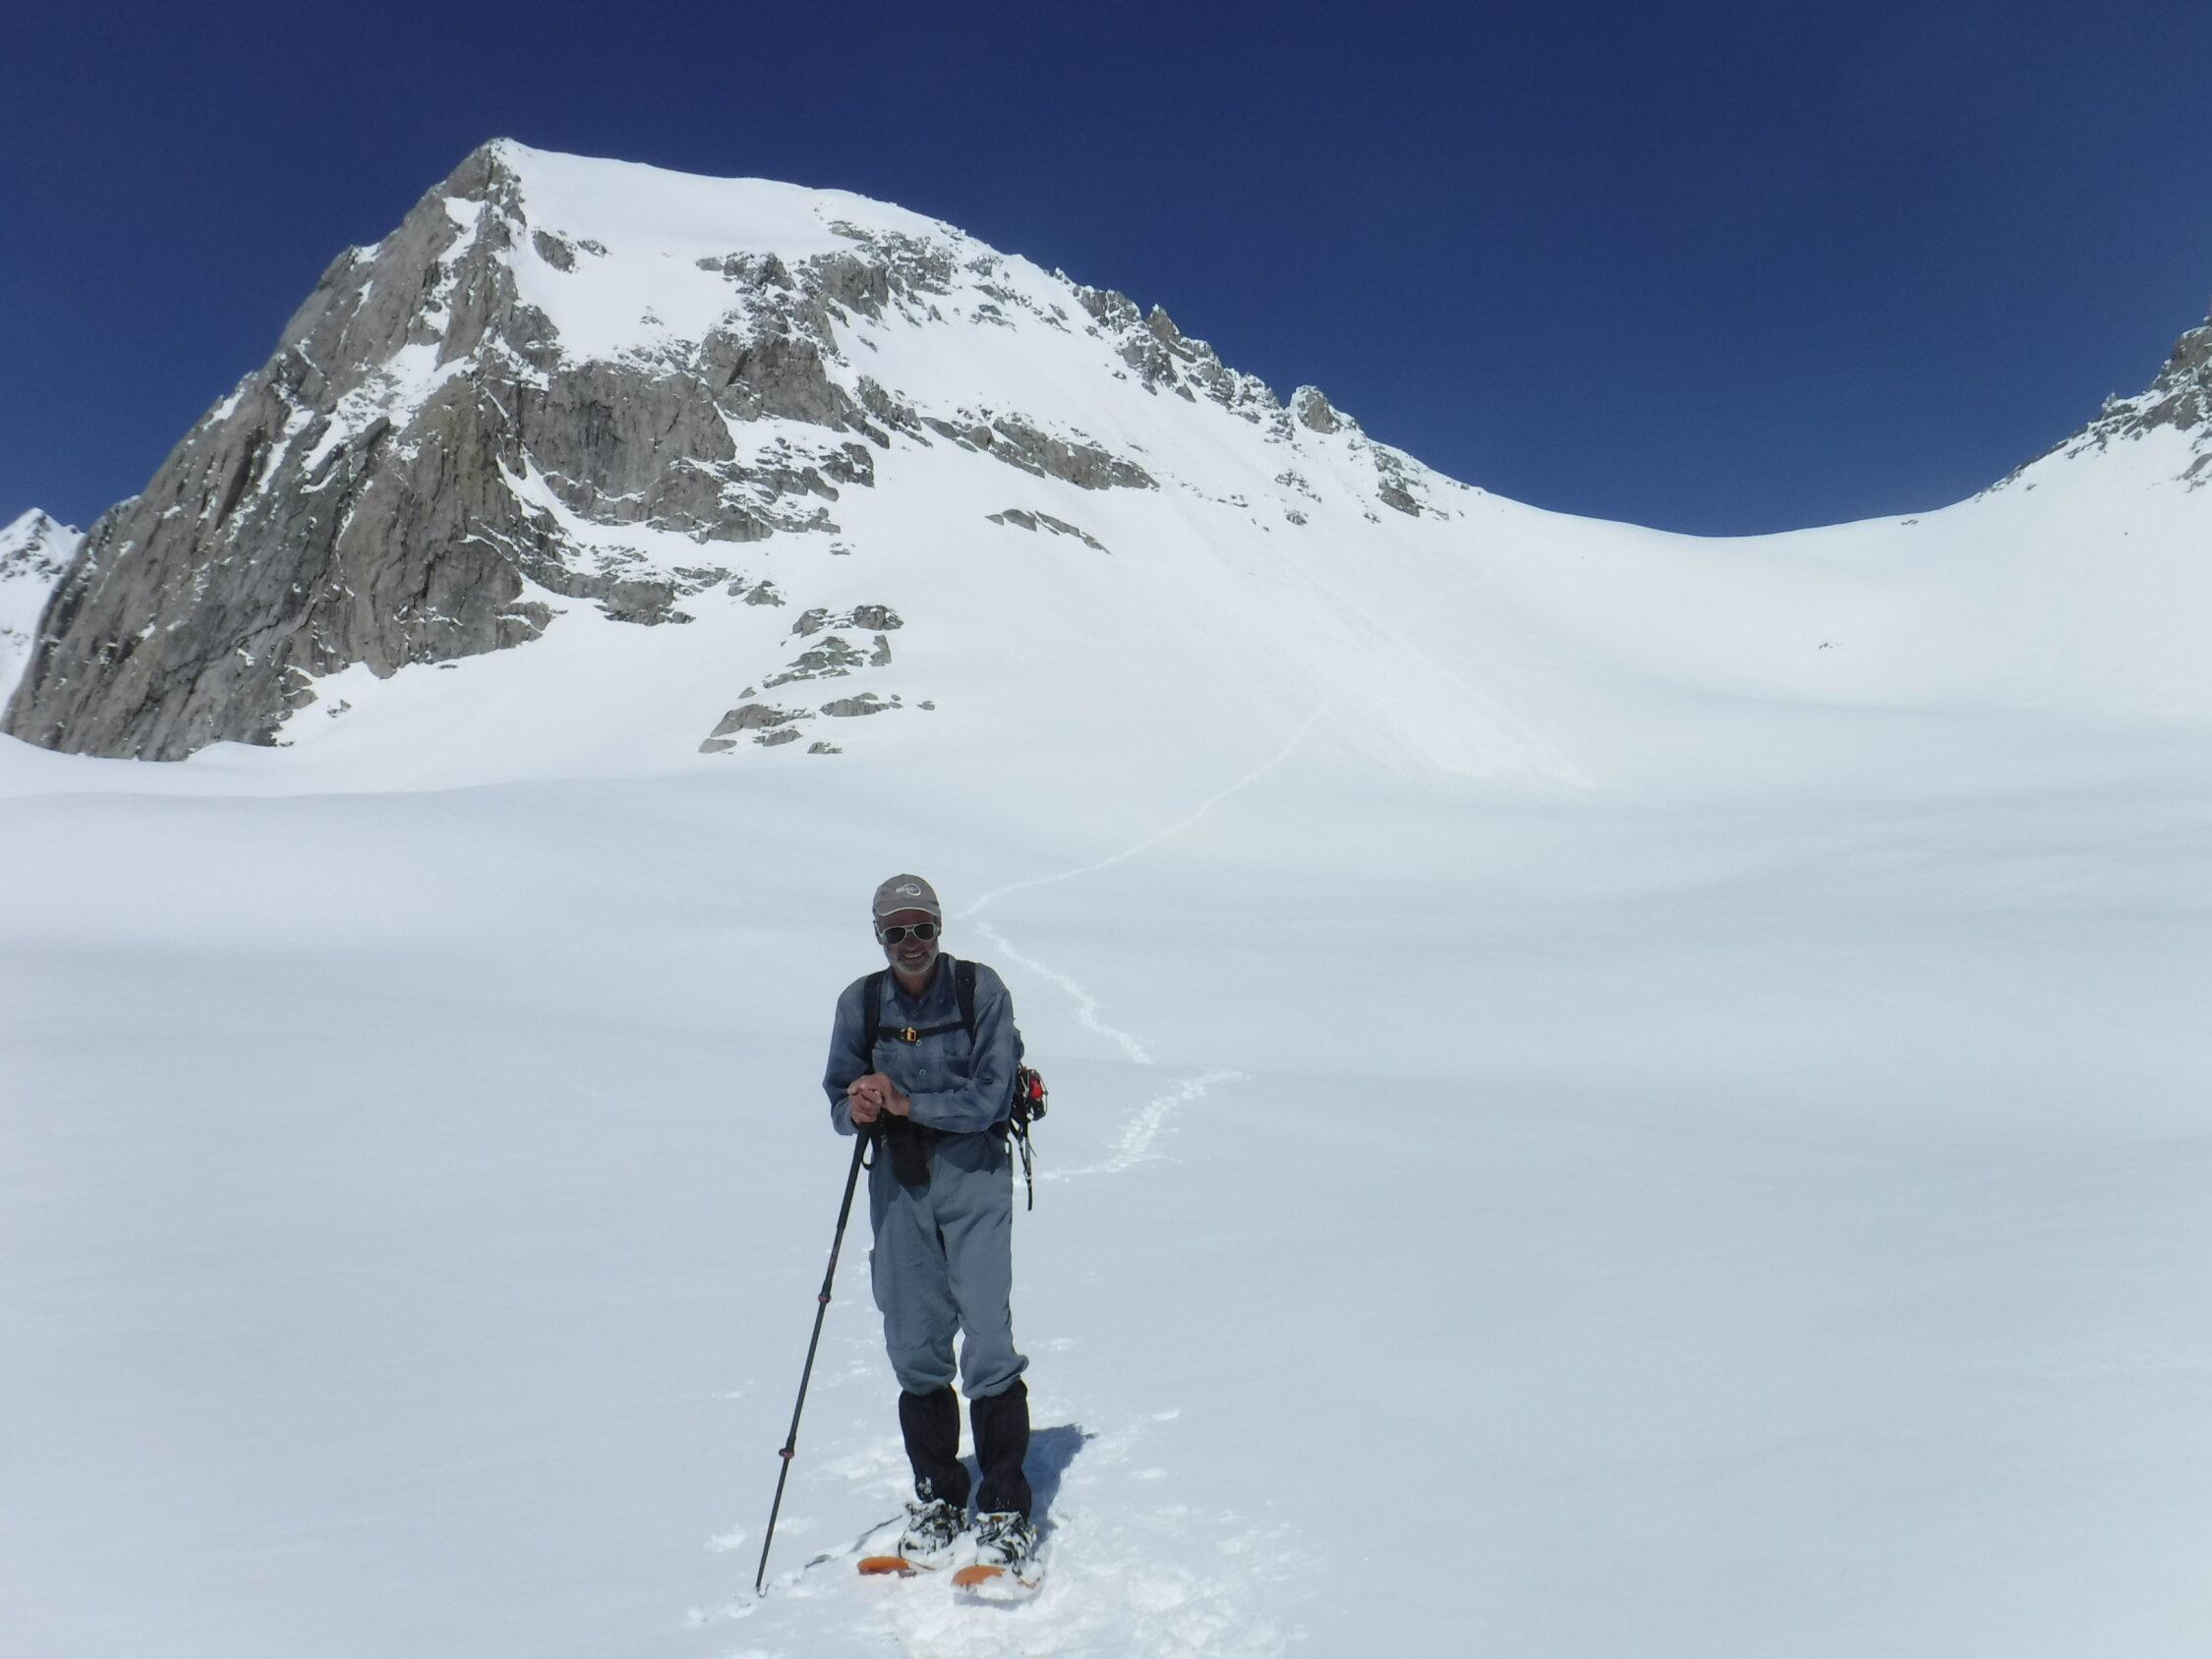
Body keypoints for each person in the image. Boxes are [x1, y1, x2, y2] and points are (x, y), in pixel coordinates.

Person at [823, 874, 1038, 1573]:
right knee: (913, 1339)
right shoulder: (860, 1003)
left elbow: (990, 1096)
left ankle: (1004, 1505)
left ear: (940, 928)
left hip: (973, 1176)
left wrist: (905, 1103)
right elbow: (837, 1098)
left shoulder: (980, 990)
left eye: (922, 928)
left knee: (987, 1335)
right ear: (879, 936)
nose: (911, 942)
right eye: (897, 931)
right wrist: (857, 1105)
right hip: (898, 1181)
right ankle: (940, 1495)